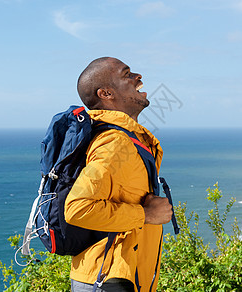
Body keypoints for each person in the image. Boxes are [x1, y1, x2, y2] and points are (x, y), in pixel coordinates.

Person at [65, 57, 173, 292]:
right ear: (106, 93)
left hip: (114, 276)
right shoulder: (114, 143)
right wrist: (145, 214)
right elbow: (77, 208)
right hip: (108, 280)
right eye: (127, 74)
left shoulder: (125, 137)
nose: (138, 77)